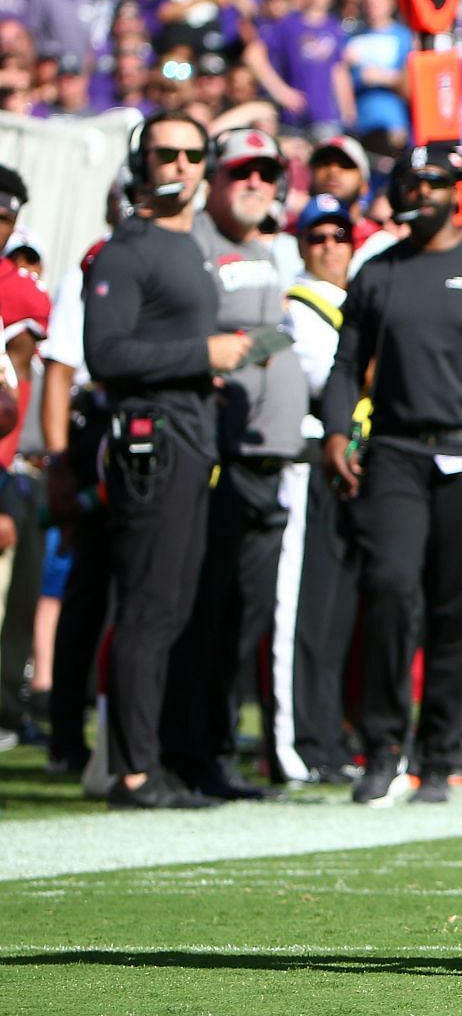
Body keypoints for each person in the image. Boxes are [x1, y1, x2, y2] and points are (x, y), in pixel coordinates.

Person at [319, 140, 462, 807]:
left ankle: (440, 752)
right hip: (394, 451)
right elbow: (343, 362)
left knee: (456, 607)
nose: (420, 194)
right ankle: (382, 747)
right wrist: (335, 431)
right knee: (388, 589)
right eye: (409, 184)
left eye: (434, 183)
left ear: (459, 193)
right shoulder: (377, 271)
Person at [83, 110, 251, 809]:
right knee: (150, 607)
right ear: (141, 163)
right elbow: (106, 356)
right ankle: (130, 771)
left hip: (188, 434)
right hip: (149, 441)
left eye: (191, 154)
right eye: (165, 154)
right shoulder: (128, 249)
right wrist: (201, 356)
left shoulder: (189, 246)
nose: (179, 165)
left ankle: (150, 760)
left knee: (174, 606)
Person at [162, 127, 308, 801]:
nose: (254, 182)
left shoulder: (270, 248)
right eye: (240, 172)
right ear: (213, 179)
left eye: (265, 172)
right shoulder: (192, 245)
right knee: (201, 614)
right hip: (217, 459)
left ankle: (217, 751)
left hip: (270, 461)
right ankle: (183, 753)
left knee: (243, 619)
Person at [269, 195, 361, 785]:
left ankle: (326, 735)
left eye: (338, 235)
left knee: (336, 612)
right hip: (309, 463)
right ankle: (293, 744)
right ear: (301, 245)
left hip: (354, 466)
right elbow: (325, 376)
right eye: (316, 236)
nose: (329, 245)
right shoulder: (296, 304)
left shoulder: (353, 301)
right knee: (300, 608)